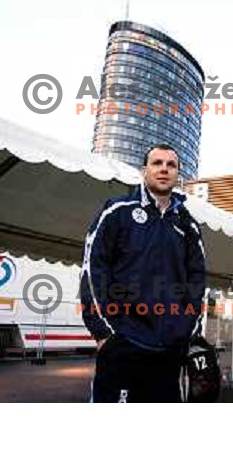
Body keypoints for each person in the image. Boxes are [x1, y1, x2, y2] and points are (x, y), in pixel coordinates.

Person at [80, 143, 206, 402]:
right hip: (124, 344)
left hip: (170, 351)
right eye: (157, 163)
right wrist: (105, 333)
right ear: (144, 171)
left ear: (178, 175)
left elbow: (197, 283)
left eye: (170, 165)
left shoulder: (188, 225)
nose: (164, 169)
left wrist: (187, 332)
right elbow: (93, 270)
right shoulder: (117, 211)